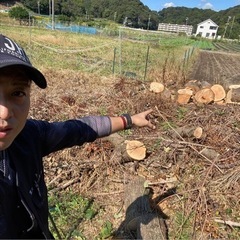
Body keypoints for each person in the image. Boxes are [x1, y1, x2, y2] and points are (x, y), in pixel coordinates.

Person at [0, 34, 155, 239]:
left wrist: (129, 120)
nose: (4, 113)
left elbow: (79, 129)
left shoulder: (29, 136)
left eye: (17, 92)